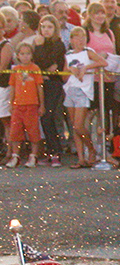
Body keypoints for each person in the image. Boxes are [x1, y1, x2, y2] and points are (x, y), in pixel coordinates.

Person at [64, 27, 106, 168]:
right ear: (71, 40)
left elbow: (103, 62)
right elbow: (64, 76)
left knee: (79, 125)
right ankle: (81, 158)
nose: (80, 40)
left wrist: (86, 68)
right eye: (76, 37)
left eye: (82, 37)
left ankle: (91, 148)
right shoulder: (68, 54)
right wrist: (71, 70)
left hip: (83, 90)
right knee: (74, 127)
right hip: (71, 89)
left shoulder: (88, 52)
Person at [32, 15, 66, 166]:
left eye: (49, 27)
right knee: (43, 118)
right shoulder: (38, 42)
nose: (46, 30)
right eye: (43, 27)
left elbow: (49, 62)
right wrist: (44, 69)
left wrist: (39, 49)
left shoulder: (59, 44)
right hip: (40, 83)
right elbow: (37, 64)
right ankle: (51, 150)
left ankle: (56, 152)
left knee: (49, 116)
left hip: (53, 84)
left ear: (55, 29)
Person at [5, 43, 44, 168]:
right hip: (18, 105)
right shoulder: (16, 70)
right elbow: (12, 87)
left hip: (31, 104)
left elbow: (39, 87)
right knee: (15, 131)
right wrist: (11, 103)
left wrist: (41, 104)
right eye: (22, 54)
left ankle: (33, 155)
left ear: (32, 55)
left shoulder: (35, 68)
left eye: (28, 54)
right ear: (17, 55)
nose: (25, 56)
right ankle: (15, 155)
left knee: (33, 130)